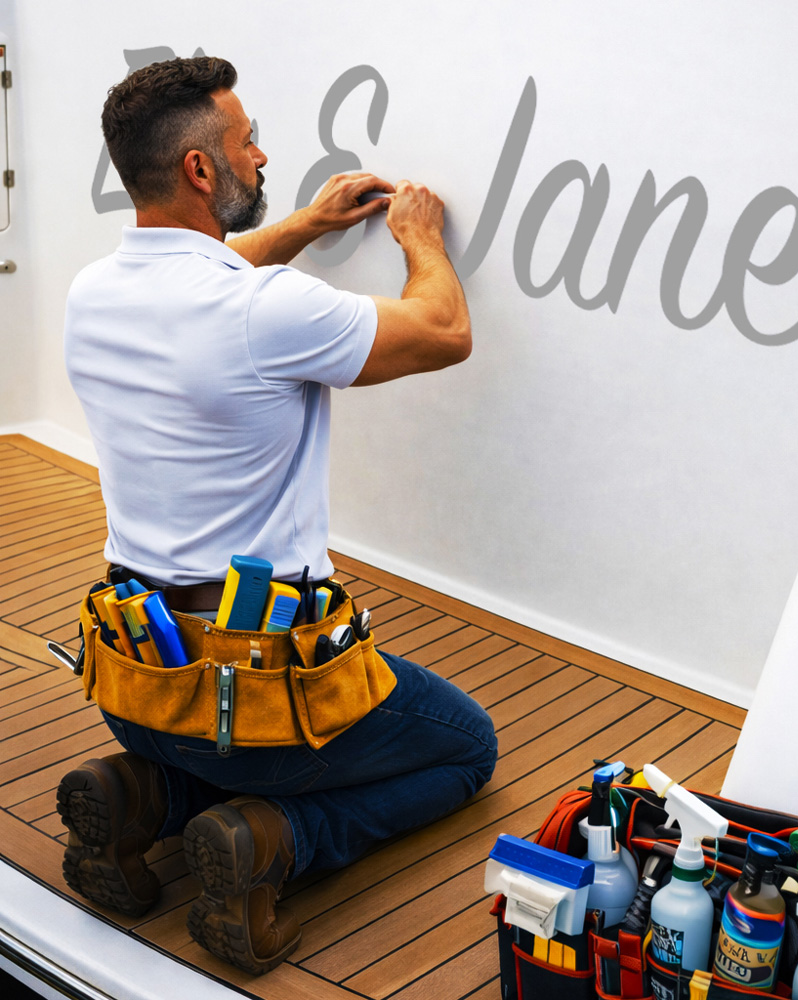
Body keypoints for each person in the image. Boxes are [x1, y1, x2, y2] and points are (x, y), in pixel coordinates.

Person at [60, 56, 497, 976]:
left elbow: (211, 284)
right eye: (246, 140)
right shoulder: (268, 311)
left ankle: (143, 793)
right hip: (260, 708)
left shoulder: (92, 295)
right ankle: (277, 839)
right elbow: (443, 332)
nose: (262, 156)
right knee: (466, 748)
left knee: (192, 745)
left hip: (136, 690)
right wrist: (421, 238)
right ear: (199, 171)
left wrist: (300, 224)